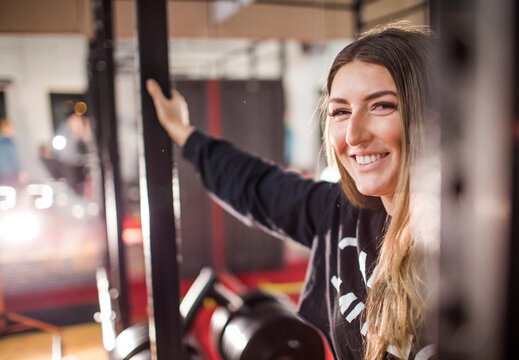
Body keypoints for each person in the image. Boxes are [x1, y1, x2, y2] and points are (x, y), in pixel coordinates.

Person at [147, 22, 437, 360]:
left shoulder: (479, 246)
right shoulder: (340, 214)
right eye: (340, 112)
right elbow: (256, 185)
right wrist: (183, 132)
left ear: (432, 115)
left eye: (382, 106)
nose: (353, 135)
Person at [0, 118, 25, 187]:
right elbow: (14, 159)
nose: (12, 130)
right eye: (10, 128)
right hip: (9, 175)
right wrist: (20, 172)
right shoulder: (7, 143)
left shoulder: (8, 142)